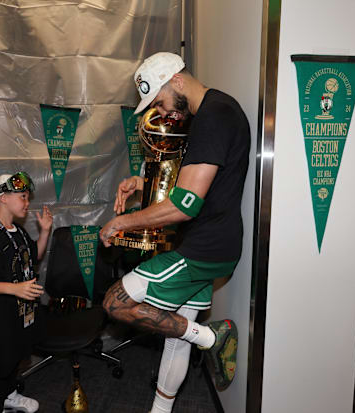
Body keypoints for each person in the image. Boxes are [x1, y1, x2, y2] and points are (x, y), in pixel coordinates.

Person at [100, 52, 250, 413]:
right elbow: (196, 186)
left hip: (203, 249)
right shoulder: (215, 111)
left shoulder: (213, 116)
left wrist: (122, 222)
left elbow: (184, 205)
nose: (164, 113)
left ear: (177, 80)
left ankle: (211, 337)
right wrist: (142, 183)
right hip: (217, 246)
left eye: (162, 101)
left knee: (116, 302)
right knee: (176, 337)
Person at [0, 171, 53, 413]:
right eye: (23, 197)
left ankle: (10, 395)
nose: (27, 202)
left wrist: (45, 231)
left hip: (17, 317)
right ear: (2, 198)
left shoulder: (18, 231)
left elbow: (32, 257)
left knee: (14, 360)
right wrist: (15, 288)